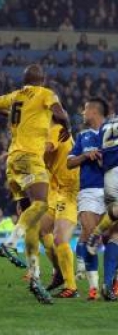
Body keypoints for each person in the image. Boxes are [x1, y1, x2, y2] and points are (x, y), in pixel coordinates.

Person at [0, 64, 70, 304]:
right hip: (30, 157)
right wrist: (68, 126)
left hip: (12, 161)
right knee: (41, 204)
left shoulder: (14, 96)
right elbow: (61, 113)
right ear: (42, 80)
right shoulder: (46, 94)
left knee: (31, 221)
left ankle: (35, 277)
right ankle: (9, 243)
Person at [67, 98, 108, 300]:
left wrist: (104, 159)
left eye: (85, 110)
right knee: (91, 234)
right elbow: (69, 162)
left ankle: (112, 283)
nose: (82, 113)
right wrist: (85, 156)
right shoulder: (82, 136)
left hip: (112, 189)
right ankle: (93, 288)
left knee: (111, 239)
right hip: (88, 191)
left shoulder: (111, 132)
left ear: (93, 111)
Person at [40, 123, 79, 298]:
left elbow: (48, 148)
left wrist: (25, 155)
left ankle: (71, 286)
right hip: (57, 190)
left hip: (70, 190)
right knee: (40, 230)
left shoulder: (55, 129)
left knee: (60, 237)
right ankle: (59, 272)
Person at [85, 101, 118, 300]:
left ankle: (108, 286)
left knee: (115, 234)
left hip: (108, 176)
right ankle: (96, 233)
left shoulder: (105, 126)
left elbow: (98, 155)